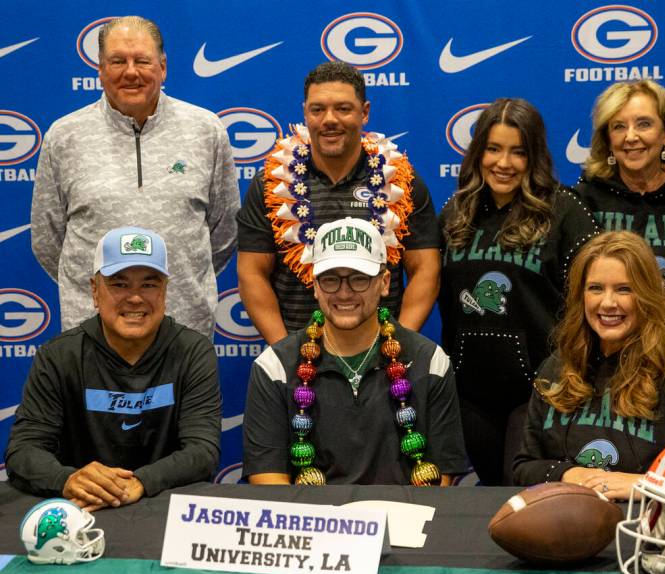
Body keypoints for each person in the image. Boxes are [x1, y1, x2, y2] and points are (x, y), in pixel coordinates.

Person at [31, 16, 239, 338]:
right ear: (100, 69)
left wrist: (181, 283)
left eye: (142, 60)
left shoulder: (206, 131)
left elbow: (223, 234)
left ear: (163, 67)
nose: (131, 72)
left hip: (185, 332)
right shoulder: (64, 137)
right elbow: (49, 241)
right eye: (117, 61)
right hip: (91, 335)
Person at [513, 232, 665, 499]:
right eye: (595, 288)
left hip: (649, 531)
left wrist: (650, 485)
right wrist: (566, 474)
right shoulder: (558, 367)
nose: (608, 303)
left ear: (647, 294)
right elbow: (524, 467)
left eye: (624, 289)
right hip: (571, 530)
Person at [439, 98, 599, 485]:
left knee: (521, 493)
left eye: (518, 152)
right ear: (478, 152)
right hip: (468, 392)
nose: (503, 163)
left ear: (535, 156)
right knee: (491, 490)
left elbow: (591, 301)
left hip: (537, 390)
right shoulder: (456, 211)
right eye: (493, 149)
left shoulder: (564, 211)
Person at [5, 226, 221, 510]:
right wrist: (68, 479)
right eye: (119, 284)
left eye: (149, 284)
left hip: (165, 509)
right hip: (81, 509)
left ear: (165, 291)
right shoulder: (58, 356)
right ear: (95, 291)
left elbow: (202, 450)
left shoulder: (193, 352)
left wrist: (141, 482)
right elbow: (23, 450)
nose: (134, 297)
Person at [242, 217, 467, 485]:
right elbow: (269, 482)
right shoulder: (274, 367)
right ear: (314, 285)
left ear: (384, 283)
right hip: (313, 522)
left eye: (359, 279)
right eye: (330, 280)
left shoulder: (430, 361)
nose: (344, 293)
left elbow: (442, 478)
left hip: (405, 520)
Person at [237, 61, 440, 344]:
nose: (329, 119)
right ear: (305, 113)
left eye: (343, 109)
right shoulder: (271, 184)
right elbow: (251, 273)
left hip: (382, 361)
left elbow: (425, 269)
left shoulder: (400, 182)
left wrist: (399, 344)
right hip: (297, 360)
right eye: (318, 109)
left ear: (364, 113)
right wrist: (284, 351)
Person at [575, 80, 665, 341]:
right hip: (606, 354)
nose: (631, 137)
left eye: (644, 124)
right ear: (607, 139)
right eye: (619, 127)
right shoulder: (585, 198)